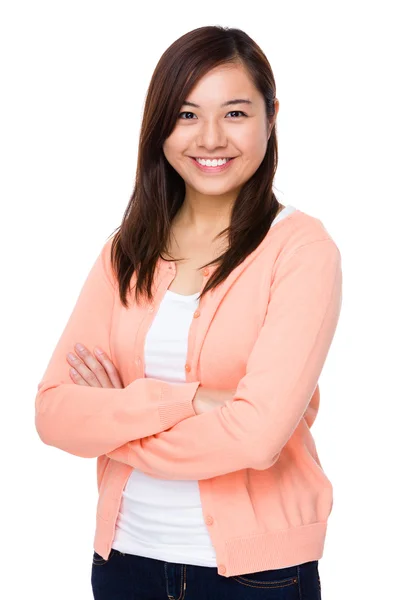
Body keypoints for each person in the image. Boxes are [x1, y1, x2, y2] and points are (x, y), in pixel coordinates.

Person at [35, 25, 342, 599]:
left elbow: (256, 439)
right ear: (160, 126)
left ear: (270, 117)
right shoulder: (126, 251)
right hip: (125, 562)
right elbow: (53, 412)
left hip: (257, 577)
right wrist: (193, 401)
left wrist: (114, 420)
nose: (209, 138)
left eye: (234, 114)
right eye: (185, 115)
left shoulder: (300, 250)